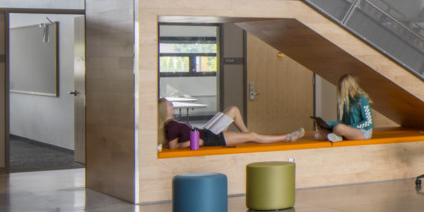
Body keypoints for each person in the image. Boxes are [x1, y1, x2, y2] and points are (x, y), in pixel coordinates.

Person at [158, 98, 303, 149]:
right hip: (209, 138)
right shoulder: (171, 126)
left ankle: (245, 135)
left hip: (206, 132)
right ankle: (287, 137)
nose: (172, 105)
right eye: (169, 104)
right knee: (253, 136)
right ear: (164, 110)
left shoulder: (172, 124)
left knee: (233, 110)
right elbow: (174, 147)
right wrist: (196, 142)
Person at [317, 74, 374, 142]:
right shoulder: (347, 101)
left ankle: (334, 136)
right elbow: (344, 122)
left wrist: (349, 127)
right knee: (321, 128)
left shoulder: (362, 99)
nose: (341, 90)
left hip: (363, 131)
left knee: (339, 128)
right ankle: (335, 136)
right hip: (348, 129)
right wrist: (328, 123)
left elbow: (368, 122)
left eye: (342, 87)